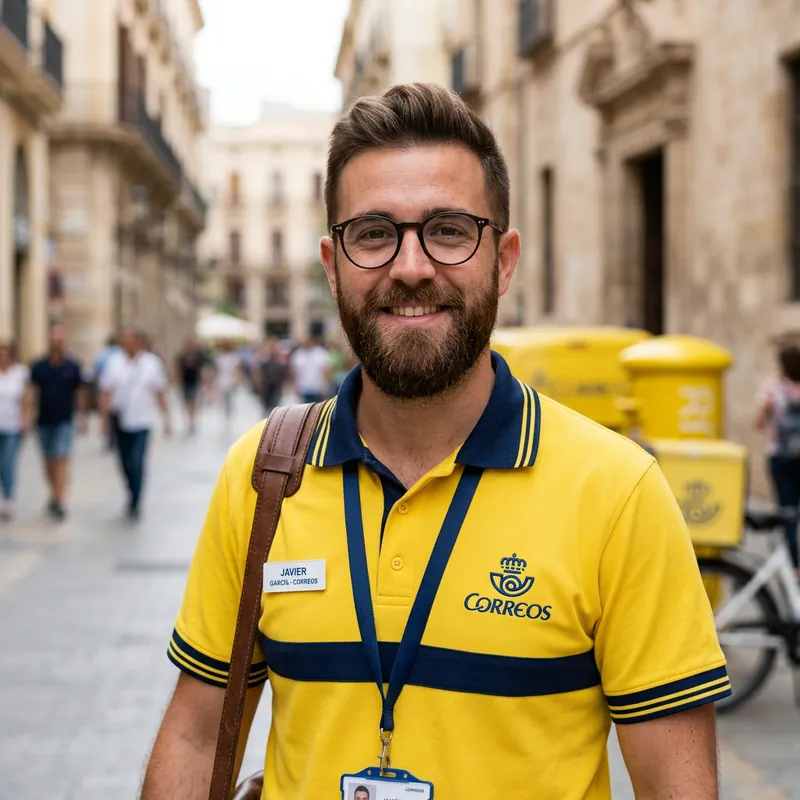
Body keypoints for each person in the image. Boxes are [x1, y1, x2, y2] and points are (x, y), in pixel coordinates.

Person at [142, 84, 729, 799]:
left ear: (504, 259)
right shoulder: (266, 475)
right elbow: (198, 734)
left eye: (449, 230)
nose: (411, 266)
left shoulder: (616, 491)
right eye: (373, 233)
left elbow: (678, 784)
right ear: (333, 265)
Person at [99, 328, 171, 520]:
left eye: (131, 340)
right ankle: (131, 490)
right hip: (120, 419)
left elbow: (159, 392)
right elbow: (106, 391)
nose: (127, 343)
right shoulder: (114, 362)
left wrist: (166, 420)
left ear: (139, 342)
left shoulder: (151, 364)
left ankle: (136, 500)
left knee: (136, 459)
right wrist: (103, 419)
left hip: (143, 420)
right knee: (123, 461)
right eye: (125, 340)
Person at [30, 326, 89, 520]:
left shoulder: (72, 366)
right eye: (53, 341)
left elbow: (80, 391)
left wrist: (83, 417)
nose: (56, 344)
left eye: (59, 341)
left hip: (64, 420)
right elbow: (30, 391)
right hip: (44, 421)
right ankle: (54, 493)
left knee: (61, 457)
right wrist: (28, 414)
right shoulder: (39, 366)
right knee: (48, 461)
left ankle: (61, 499)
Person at [755, 342, 800, 579]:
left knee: (788, 511)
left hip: (780, 457)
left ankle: (794, 567)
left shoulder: (774, 389)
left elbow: (759, 420)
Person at [0, 342, 32, 520]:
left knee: (7, 462)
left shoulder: (20, 372)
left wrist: (26, 418)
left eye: (6, 353)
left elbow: (26, 397)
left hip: (12, 425)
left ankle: (8, 496)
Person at [92, 335, 120, 450]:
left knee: (105, 412)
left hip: (104, 386)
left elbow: (95, 370)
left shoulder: (102, 355)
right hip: (116, 387)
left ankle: (109, 436)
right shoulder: (119, 354)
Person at [175, 339, 206, 436]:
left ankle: (192, 421)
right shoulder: (182, 357)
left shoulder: (198, 357)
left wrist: (203, 381)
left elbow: (200, 370)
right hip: (185, 383)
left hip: (194, 382)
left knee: (193, 402)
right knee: (186, 402)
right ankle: (188, 419)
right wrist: (177, 380)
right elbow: (178, 370)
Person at [290, 334, 332, 402]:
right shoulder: (298, 354)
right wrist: (295, 386)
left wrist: (327, 385)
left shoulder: (321, 353)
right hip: (303, 387)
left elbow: (326, 370)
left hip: (318, 388)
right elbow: (295, 372)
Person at [253, 338, 288, 416]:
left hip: (276, 386)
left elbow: (283, 373)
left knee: (275, 407)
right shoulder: (263, 360)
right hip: (266, 387)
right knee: (266, 407)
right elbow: (258, 373)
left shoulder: (279, 360)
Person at [213, 340, 241, 420]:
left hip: (227, 381)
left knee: (228, 400)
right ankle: (227, 415)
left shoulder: (230, 357)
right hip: (225, 381)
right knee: (227, 400)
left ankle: (227, 415)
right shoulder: (221, 357)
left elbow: (236, 370)